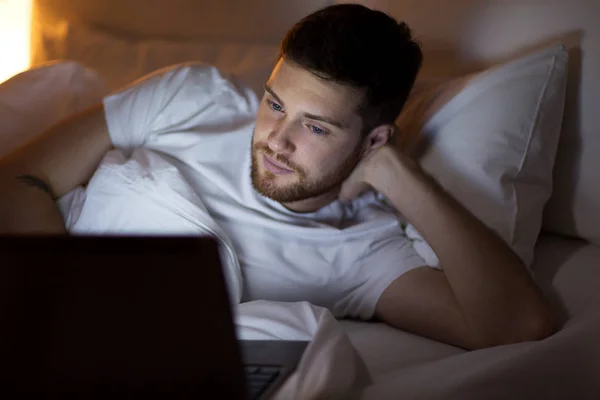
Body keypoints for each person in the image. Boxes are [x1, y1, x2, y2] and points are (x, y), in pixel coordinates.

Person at [0, 4, 556, 349]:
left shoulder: (361, 252)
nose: (276, 140)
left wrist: (399, 177)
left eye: (315, 128)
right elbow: (20, 178)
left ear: (373, 140)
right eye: (274, 103)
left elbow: (516, 326)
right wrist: (62, 305)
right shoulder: (192, 97)